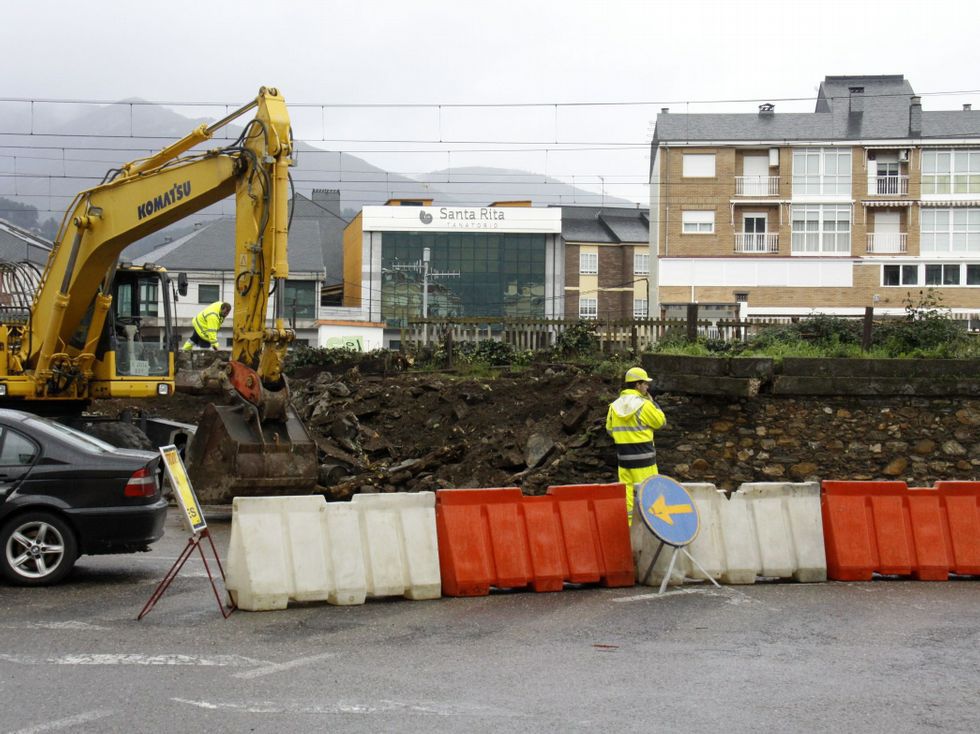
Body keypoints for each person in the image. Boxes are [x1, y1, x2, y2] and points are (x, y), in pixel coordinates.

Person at [606, 367, 667, 523]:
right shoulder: (644, 405)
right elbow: (661, 422)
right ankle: (652, 528)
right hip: (645, 460)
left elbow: (610, 430)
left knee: (628, 498)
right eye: (645, 384)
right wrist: (654, 405)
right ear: (638, 385)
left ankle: (629, 531)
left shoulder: (614, 406)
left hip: (624, 461)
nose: (647, 387)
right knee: (650, 496)